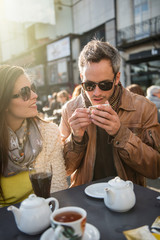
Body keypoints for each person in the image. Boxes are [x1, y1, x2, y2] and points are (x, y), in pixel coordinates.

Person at [59, 39, 160, 188]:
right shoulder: (70, 109)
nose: (96, 93)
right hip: (84, 196)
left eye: (105, 85)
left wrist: (121, 134)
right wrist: (76, 139)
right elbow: (64, 170)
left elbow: (155, 168)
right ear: (82, 78)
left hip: (127, 196)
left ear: (117, 78)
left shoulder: (144, 108)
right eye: (89, 85)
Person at [0, 65, 68, 207]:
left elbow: (58, 189)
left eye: (33, 89)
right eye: (25, 92)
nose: (34, 95)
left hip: (43, 215)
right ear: (4, 102)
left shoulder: (49, 132)